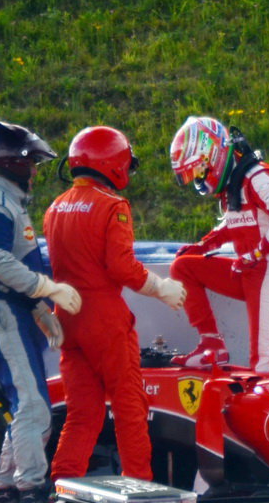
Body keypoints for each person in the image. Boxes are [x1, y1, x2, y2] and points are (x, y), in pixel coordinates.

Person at [42, 125, 186, 481]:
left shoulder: (54, 208)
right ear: (112, 164)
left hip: (67, 320)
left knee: (82, 414)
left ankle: (64, 488)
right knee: (130, 408)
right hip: (104, 318)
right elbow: (122, 268)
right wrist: (162, 288)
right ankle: (139, 487)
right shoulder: (112, 206)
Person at [0, 120, 82, 503]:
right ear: (11, 162)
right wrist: (45, 289)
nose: (34, 170)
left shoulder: (2, 199)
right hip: (0, 313)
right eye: (30, 162)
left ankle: (6, 493)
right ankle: (30, 494)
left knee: (24, 407)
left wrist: (38, 307)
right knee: (32, 407)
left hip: (7, 310)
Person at [165, 116, 269, 373]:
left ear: (213, 157)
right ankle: (211, 345)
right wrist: (202, 246)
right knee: (183, 267)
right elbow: (234, 224)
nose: (198, 179)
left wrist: (258, 251)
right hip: (248, 271)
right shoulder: (235, 184)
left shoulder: (258, 177)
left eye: (198, 170)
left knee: (265, 366)